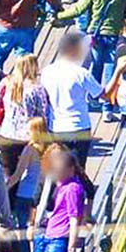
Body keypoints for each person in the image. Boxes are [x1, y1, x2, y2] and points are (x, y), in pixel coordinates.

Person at [56, 0, 126, 120]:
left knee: (95, 66)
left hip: (95, 35)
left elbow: (79, 8)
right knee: (110, 70)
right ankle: (108, 108)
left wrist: (60, 15)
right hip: (113, 35)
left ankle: (92, 98)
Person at [40, 31, 103, 162]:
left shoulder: (46, 72)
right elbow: (101, 94)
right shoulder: (81, 73)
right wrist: (118, 72)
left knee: (58, 166)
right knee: (79, 167)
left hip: (56, 126)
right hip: (79, 126)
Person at [39, 146, 88, 252]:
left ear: (71, 169)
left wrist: (71, 247)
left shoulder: (73, 188)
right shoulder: (63, 185)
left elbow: (74, 219)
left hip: (58, 240)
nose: (57, 175)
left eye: (60, 171)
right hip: (50, 236)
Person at [0, 54, 46, 178]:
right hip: (29, 136)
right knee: (28, 174)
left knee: (7, 173)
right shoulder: (37, 89)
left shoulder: (6, 82)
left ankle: (7, 196)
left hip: (6, 134)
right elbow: (43, 112)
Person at [6, 117, 50, 229]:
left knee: (23, 230)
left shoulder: (29, 149)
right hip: (40, 191)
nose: (26, 132)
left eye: (29, 130)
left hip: (25, 193)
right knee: (37, 228)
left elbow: (18, 174)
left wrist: (5, 188)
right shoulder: (50, 148)